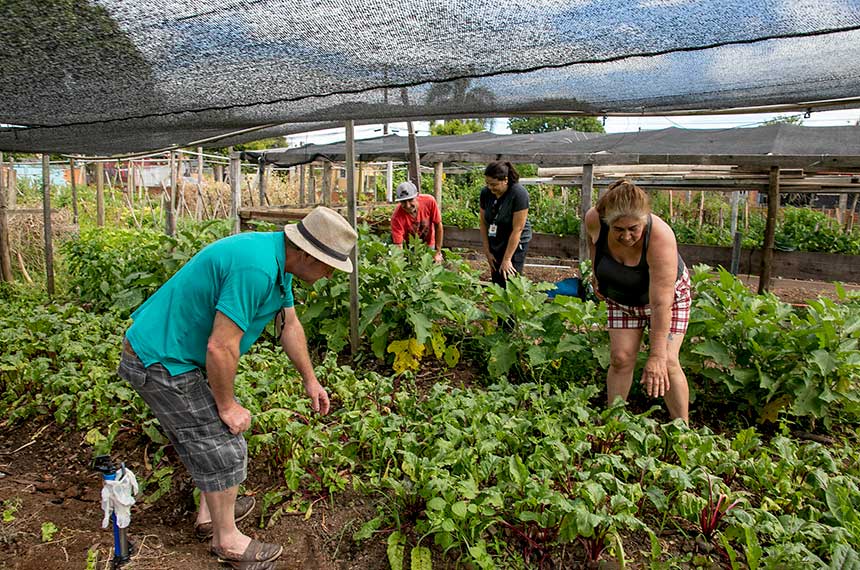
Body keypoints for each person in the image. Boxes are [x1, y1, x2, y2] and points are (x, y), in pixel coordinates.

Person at [117, 206, 357, 570]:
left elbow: (288, 324)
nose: (326, 275)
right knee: (224, 443)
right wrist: (226, 405)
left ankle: (211, 515)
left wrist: (311, 380)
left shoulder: (278, 261)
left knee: (207, 434)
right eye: (327, 266)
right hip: (161, 359)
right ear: (308, 254)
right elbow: (221, 346)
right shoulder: (256, 268)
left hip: (174, 354)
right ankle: (226, 540)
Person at [584, 179, 691, 422]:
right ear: (607, 221)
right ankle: (614, 423)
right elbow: (594, 244)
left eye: (633, 228)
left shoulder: (660, 237)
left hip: (667, 301)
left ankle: (683, 430)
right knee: (620, 358)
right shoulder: (594, 219)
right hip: (622, 298)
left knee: (669, 361)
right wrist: (596, 273)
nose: (626, 236)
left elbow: (660, 304)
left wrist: (656, 357)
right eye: (618, 229)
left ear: (644, 219)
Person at [479, 161, 532, 287]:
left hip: (515, 241)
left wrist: (507, 259)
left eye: (494, 184)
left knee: (509, 278)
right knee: (496, 278)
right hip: (496, 238)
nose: (490, 188)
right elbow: (483, 222)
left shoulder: (519, 194)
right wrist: (487, 251)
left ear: (505, 180)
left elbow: (518, 229)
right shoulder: (486, 193)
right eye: (488, 184)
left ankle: (511, 305)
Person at [390, 180, 444, 263]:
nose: (407, 205)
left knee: (433, 267)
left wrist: (438, 252)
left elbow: (438, 225)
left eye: (410, 200)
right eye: (403, 202)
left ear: (417, 196)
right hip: (410, 248)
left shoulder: (429, 201)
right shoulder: (396, 217)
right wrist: (399, 264)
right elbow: (398, 245)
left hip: (429, 243)